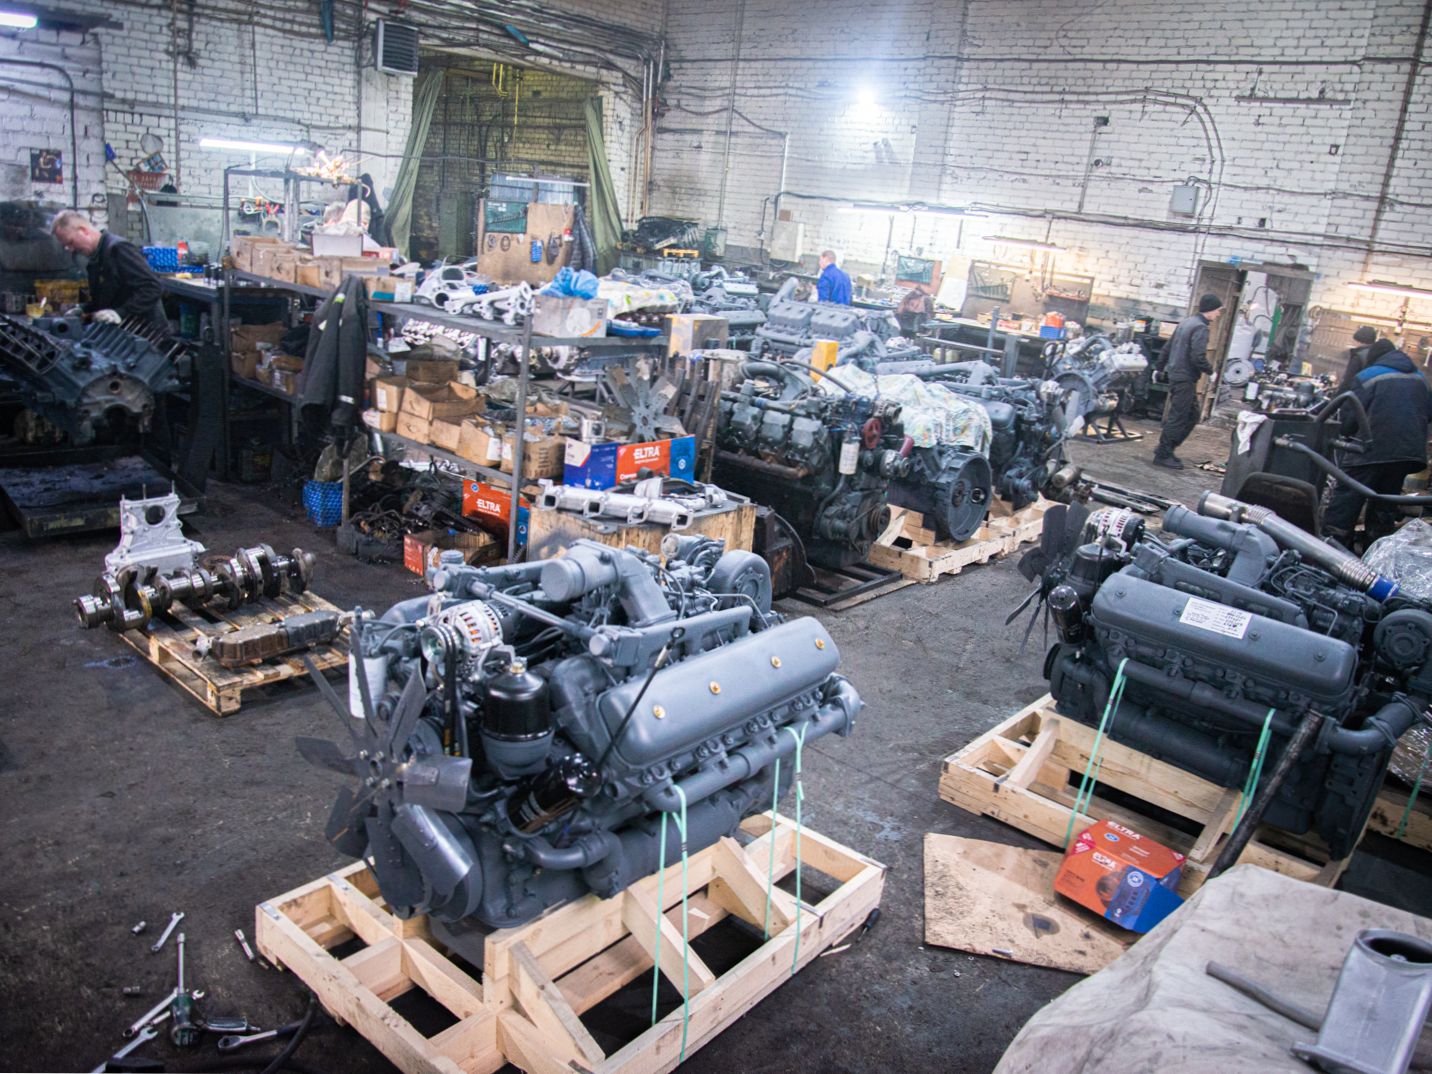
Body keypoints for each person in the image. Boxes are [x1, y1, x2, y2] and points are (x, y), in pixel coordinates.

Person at [1322, 338, 1432, 545]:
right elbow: (1428, 413)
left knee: (1347, 497)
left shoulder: (1367, 376)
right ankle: (1375, 546)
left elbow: (1349, 417)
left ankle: (1332, 545)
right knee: (1385, 501)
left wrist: (1345, 436)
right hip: (1405, 453)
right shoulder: (1420, 378)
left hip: (1369, 450)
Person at [51, 210, 166, 333]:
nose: (70, 249)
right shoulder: (95, 260)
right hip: (121, 333)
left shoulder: (118, 249)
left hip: (147, 334)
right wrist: (83, 309)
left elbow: (153, 287)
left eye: (71, 242)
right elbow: (102, 300)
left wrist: (120, 313)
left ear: (83, 231)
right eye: (66, 246)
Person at [1152, 292, 1224, 469]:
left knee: (1192, 415)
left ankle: (1166, 448)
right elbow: (1197, 357)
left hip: (1177, 375)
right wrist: (1210, 372)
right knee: (1179, 417)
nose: (1218, 314)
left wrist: (1159, 367)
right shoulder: (1200, 328)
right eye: (1217, 310)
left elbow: (1167, 347)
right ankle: (1163, 454)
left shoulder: (1186, 322)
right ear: (1210, 310)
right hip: (1184, 378)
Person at [1336, 325, 1379, 396]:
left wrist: (1337, 397)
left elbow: (1348, 380)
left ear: (1360, 341)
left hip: (1354, 393)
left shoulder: (1360, 356)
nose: (1354, 343)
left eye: (1355, 340)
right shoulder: (1376, 354)